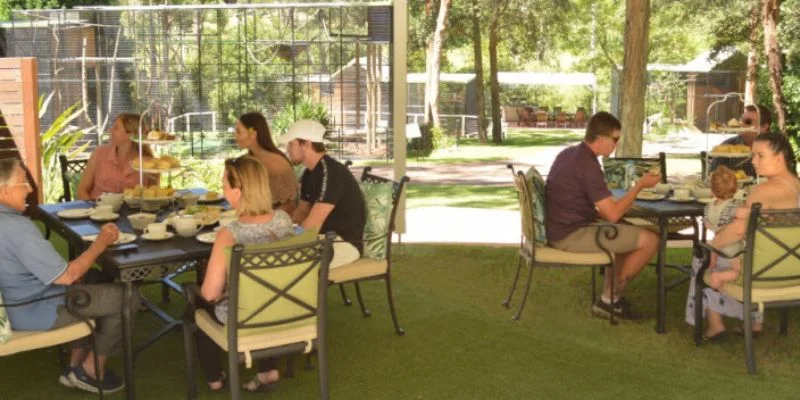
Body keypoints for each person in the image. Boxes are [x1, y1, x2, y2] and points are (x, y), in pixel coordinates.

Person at [0, 158, 140, 394]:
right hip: (31, 309)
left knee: (95, 278)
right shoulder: (16, 227)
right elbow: (65, 276)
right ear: (3, 190)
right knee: (128, 296)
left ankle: (75, 366)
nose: (30, 189)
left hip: (14, 302)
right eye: (22, 182)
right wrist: (100, 244)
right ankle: (91, 372)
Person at [545, 111, 660, 321]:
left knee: (628, 232)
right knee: (651, 240)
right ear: (601, 138)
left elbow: (606, 211)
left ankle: (610, 299)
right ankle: (610, 298)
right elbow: (613, 214)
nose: (616, 145)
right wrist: (640, 186)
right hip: (570, 234)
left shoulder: (571, 154)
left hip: (562, 227)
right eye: (615, 139)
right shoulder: (587, 165)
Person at [687, 132, 800, 340]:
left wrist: (712, 243)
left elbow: (738, 230)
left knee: (705, 256)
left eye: (760, 156)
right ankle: (753, 322)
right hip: (793, 273)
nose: (753, 161)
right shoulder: (796, 186)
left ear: (779, 158)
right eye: (752, 155)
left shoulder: (762, 191)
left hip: (759, 276)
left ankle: (715, 324)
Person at [195, 155, 295, 392]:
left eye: (224, 185)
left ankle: (215, 378)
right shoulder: (284, 220)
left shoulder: (230, 235)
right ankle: (268, 370)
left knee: (196, 307)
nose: (222, 189)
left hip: (246, 316)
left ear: (237, 192)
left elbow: (210, 294)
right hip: (286, 306)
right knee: (263, 292)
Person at [279, 119, 365, 269]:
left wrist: (285, 242)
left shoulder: (331, 173)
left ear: (306, 143)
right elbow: (302, 213)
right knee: (273, 257)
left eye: (291, 144)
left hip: (343, 244)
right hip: (322, 240)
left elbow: (312, 225)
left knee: (282, 263)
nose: (287, 149)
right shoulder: (309, 173)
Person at [77, 113, 158, 200]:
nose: (110, 130)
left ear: (131, 134)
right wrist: (93, 210)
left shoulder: (149, 164)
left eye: (116, 128)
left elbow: (154, 197)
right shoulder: (99, 154)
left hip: (133, 212)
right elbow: (82, 190)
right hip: (97, 210)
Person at [233, 112, 298, 214]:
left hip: (276, 222)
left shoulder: (276, 162)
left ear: (253, 134)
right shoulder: (248, 159)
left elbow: (288, 206)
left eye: (238, 132)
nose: (235, 136)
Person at [704, 166, 744, 290]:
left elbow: (707, 224)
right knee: (739, 271)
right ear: (736, 188)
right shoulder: (735, 205)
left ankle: (711, 267)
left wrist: (716, 228)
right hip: (731, 245)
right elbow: (740, 221)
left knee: (713, 260)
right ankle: (718, 278)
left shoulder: (709, 206)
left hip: (715, 243)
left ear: (712, 189)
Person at [709, 104, 773, 178]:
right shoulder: (728, 145)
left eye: (748, 122)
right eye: (741, 120)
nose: (742, 124)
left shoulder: (777, 147)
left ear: (764, 126)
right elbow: (713, 175)